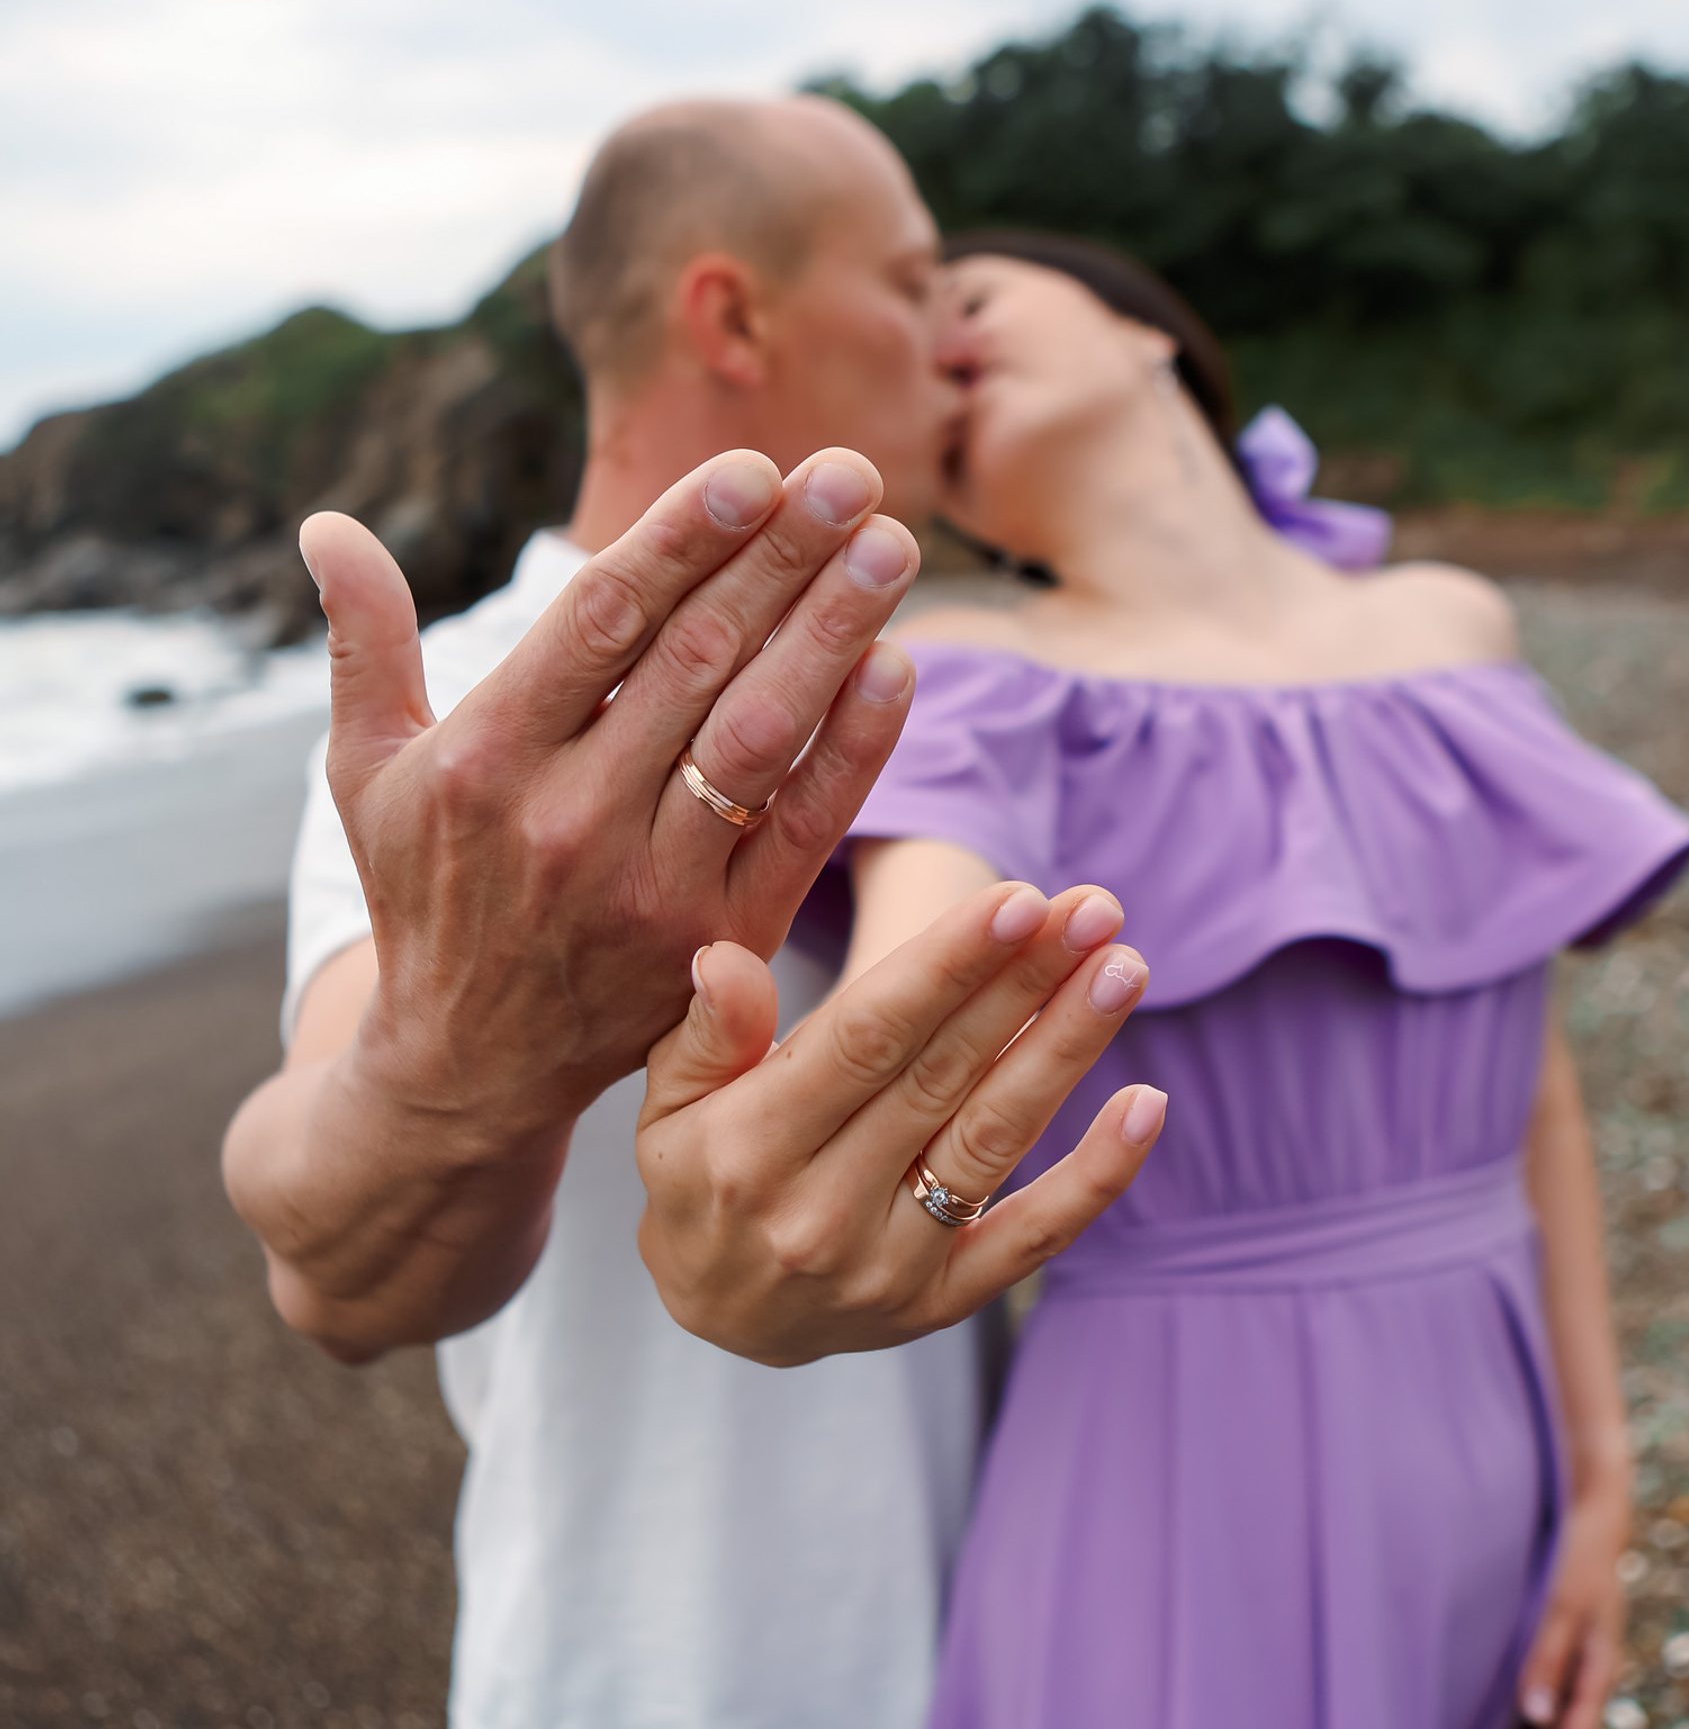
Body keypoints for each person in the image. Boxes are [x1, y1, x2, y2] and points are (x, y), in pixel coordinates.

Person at [221, 105, 1164, 1729]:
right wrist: (463, 1056)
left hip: (1020, 1639)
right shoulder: (452, 741)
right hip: (641, 1672)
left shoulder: (976, 685)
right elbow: (339, 1277)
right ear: (733, 317)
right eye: (917, 281)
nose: (955, 344)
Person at [825, 231, 1689, 1729]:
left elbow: (1534, 1089)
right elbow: (907, 980)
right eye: (912, 359)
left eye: (966, 303)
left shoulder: (1450, 623)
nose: (936, 352)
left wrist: (1602, 1465)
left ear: (1149, 333)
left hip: (1491, 1433)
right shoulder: (964, 669)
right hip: (1171, 1457)